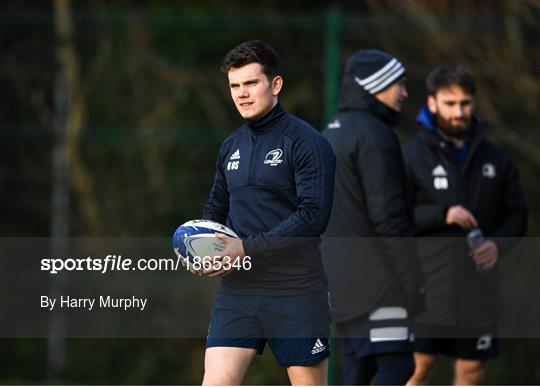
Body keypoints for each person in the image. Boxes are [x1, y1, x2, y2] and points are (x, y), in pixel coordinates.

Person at [200, 40, 336, 385]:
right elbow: (216, 208)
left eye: (251, 83)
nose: (242, 94)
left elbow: (313, 215)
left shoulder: (307, 142)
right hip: (238, 291)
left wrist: (245, 248)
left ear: (275, 84)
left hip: (296, 290)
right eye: (235, 85)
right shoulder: (230, 145)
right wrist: (201, 250)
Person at [403, 64, 528, 385]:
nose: (459, 112)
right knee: (417, 369)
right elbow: (392, 217)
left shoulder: (495, 157)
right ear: (432, 103)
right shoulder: (412, 155)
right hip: (425, 290)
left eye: (465, 103)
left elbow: (516, 215)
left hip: (479, 291)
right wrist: (441, 215)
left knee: (472, 371)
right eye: (450, 103)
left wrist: (497, 245)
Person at [322, 49, 425, 385]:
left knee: (359, 370)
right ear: (376, 84)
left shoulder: (330, 133)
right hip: (378, 283)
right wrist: (412, 280)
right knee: (397, 367)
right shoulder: (375, 135)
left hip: (340, 282)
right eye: (400, 84)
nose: (405, 93)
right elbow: (388, 217)